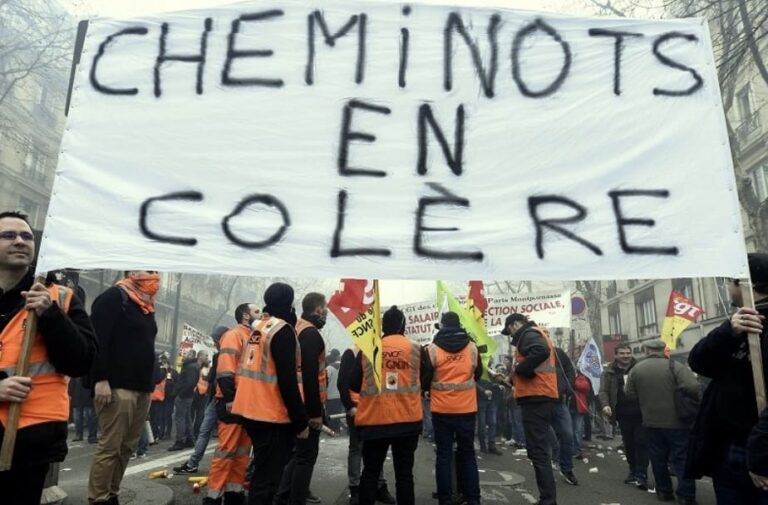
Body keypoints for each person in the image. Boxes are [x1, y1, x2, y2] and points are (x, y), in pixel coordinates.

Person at [0, 211, 97, 505]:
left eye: (27, 236)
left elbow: (82, 361)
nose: (20, 241)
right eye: (9, 235)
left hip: (30, 439)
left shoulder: (61, 296)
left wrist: (50, 314)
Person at [687, 253, 768, 505]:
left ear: (746, 284)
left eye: (729, 282)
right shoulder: (737, 325)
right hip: (731, 446)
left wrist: (760, 455)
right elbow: (698, 362)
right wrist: (727, 332)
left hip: (756, 448)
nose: (726, 287)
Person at [87, 270, 161, 504]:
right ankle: (98, 498)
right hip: (116, 386)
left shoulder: (146, 305)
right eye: (148, 270)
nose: (154, 276)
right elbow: (97, 339)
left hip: (141, 388)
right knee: (110, 447)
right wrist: (100, 379)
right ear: (131, 272)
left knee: (127, 446)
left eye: (155, 271)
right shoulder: (113, 297)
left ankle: (112, 494)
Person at [232, 283, 308, 505]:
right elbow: (288, 381)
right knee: (268, 481)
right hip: (270, 415)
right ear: (289, 302)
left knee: (261, 476)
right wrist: (300, 421)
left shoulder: (260, 327)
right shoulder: (282, 330)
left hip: (250, 411)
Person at [349, 305, 428, 505]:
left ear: (383, 326)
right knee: (404, 474)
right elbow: (427, 379)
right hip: (408, 420)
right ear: (403, 325)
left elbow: (352, 383)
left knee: (371, 471)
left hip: (375, 419)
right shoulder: (416, 349)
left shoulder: (369, 349)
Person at [625, 339, 699, 505]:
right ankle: (686, 495)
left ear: (646, 351)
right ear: (663, 350)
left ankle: (664, 492)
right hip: (677, 422)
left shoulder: (637, 369)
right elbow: (693, 387)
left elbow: (629, 393)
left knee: (658, 458)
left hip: (651, 422)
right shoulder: (676, 366)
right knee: (681, 458)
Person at [501, 314, 561, 505]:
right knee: (539, 449)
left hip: (537, 399)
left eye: (509, 330)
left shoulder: (528, 334)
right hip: (541, 397)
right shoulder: (534, 334)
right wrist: (510, 379)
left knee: (539, 452)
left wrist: (520, 370)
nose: (510, 335)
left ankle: (548, 500)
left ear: (516, 324)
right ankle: (548, 498)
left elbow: (539, 351)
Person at [275, 293, 329, 505]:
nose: (326, 313)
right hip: (306, 407)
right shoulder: (310, 334)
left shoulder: (296, 328)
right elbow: (309, 375)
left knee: (297, 455)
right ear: (318, 310)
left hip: (296, 404)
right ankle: (294, 499)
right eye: (325, 309)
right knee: (305, 457)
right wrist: (315, 413)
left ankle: (282, 497)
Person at [425, 312, 483, 505]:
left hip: (442, 409)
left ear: (442, 325)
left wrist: (428, 389)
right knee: (468, 454)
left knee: (444, 455)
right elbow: (479, 373)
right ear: (459, 324)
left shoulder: (433, 349)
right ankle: (473, 498)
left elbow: (425, 378)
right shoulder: (472, 347)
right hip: (466, 408)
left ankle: (445, 499)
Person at [204, 306, 259, 505]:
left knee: (242, 451)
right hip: (232, 401)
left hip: (245, 402)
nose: (260, 315)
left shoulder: (253, 336)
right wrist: (230, 399)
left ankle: (234, 493)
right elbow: (225, 370)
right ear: (245, 315)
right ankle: (213, 497)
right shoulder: (234, 335)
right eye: (257, 311)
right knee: (226, 451)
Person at [338, 345, 395, 505]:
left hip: (376, 408)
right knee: (357, 448)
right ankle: (355, 488)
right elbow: (342, 383)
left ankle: (379, 485)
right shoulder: (352, 353)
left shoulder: (380, 350)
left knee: (378, 448)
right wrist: (350, 406)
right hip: (358, 409)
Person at [174, 326, 228, 476]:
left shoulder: (221, 356)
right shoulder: (218, 356)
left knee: (215, 433)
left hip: (223, 400)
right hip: (216, 399)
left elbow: (212, 378)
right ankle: (193, 463)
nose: (215, 342)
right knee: (204, 431)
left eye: (216, 339)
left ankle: (221, 467)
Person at [599, 343, 649, 489]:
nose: (626, 356)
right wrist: (605, 405)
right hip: (622, 414)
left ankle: (642, 474)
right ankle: (632, 470)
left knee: (641, 442)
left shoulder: (639, 368)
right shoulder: (609, 372)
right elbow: (603, 391)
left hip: (641, 412)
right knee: (629, 444)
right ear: (616, 355)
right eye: (622, 353)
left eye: (628, 353)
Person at [549, 346, 578, 486]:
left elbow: (570, 371)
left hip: (560, 402)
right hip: (539, 404)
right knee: (549, 438)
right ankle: (548, 466)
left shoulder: (558, 353)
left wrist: (568, 388)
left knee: (568, 435)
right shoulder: (531, 352)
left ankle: (567, 469)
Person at [168, 348, 199, 451]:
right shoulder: (191, 366)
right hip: (187, 396)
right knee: (187, 418)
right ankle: (190, 439)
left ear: (191, 355)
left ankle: (179, 441)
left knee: (180, 418)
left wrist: (181, 394)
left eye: (185, 353)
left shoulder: (190, 367)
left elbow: (190, 383)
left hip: (184, 397)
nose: (183, 355)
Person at [476, 373, 501, 455]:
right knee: (482, 424)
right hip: (481, 399)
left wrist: (497, 383)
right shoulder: (478, 366)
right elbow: (473, 381)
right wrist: (483, 390)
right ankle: (483, 446)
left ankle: (491, 445)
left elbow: (494, 380)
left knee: (492, 423)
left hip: (492, 398)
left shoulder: (490, 368)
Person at [571, 370, 592, 459]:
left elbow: (585, 387)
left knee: (577, 430)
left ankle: (577, 450)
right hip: (568, 406)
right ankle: (570, 449)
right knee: (569, 430)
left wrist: (572, 382)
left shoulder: (582, 377)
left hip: (578, 408)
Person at [70, 377, 98, 444]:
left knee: (88, 416)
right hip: (80, 395)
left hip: (84, 394)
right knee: (82, 417)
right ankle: (88, 436)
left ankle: (90, 436)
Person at [192, 350, 211, 439]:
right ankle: (189, 434)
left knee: (200, 415)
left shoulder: (207, 368)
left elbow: (208, 380)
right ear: (200, 356)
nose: (207, 357)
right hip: (195, 392)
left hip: (203, 394)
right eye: (206, 355)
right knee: (191, 414)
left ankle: (196, 433)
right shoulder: (195, 366)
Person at [149, 353, 168, 440]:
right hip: (154, 395)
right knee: (153, 418)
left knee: (155, 418)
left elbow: (158, 378)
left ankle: (155, 435)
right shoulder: (162, 368)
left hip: (157, 396)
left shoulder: (162, 369)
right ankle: (153, 434)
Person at [325, 348, 343, 433]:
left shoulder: (329, 368)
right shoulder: (344, 366)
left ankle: (332, 431)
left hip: (330, 395)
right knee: (338, 413)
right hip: (340, 395)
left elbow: (325, 381)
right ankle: (337, 429)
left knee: (331, 414)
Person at [161, 354, 178, 440]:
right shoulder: (161, 371)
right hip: (161, 396)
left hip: (169, 397)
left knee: (167, 415)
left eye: (165, 362)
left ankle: (167, 433)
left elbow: (177, 384)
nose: (164, 364)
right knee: (162, 415)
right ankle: (161, 432)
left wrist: (173, 394)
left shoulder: (173, 372)